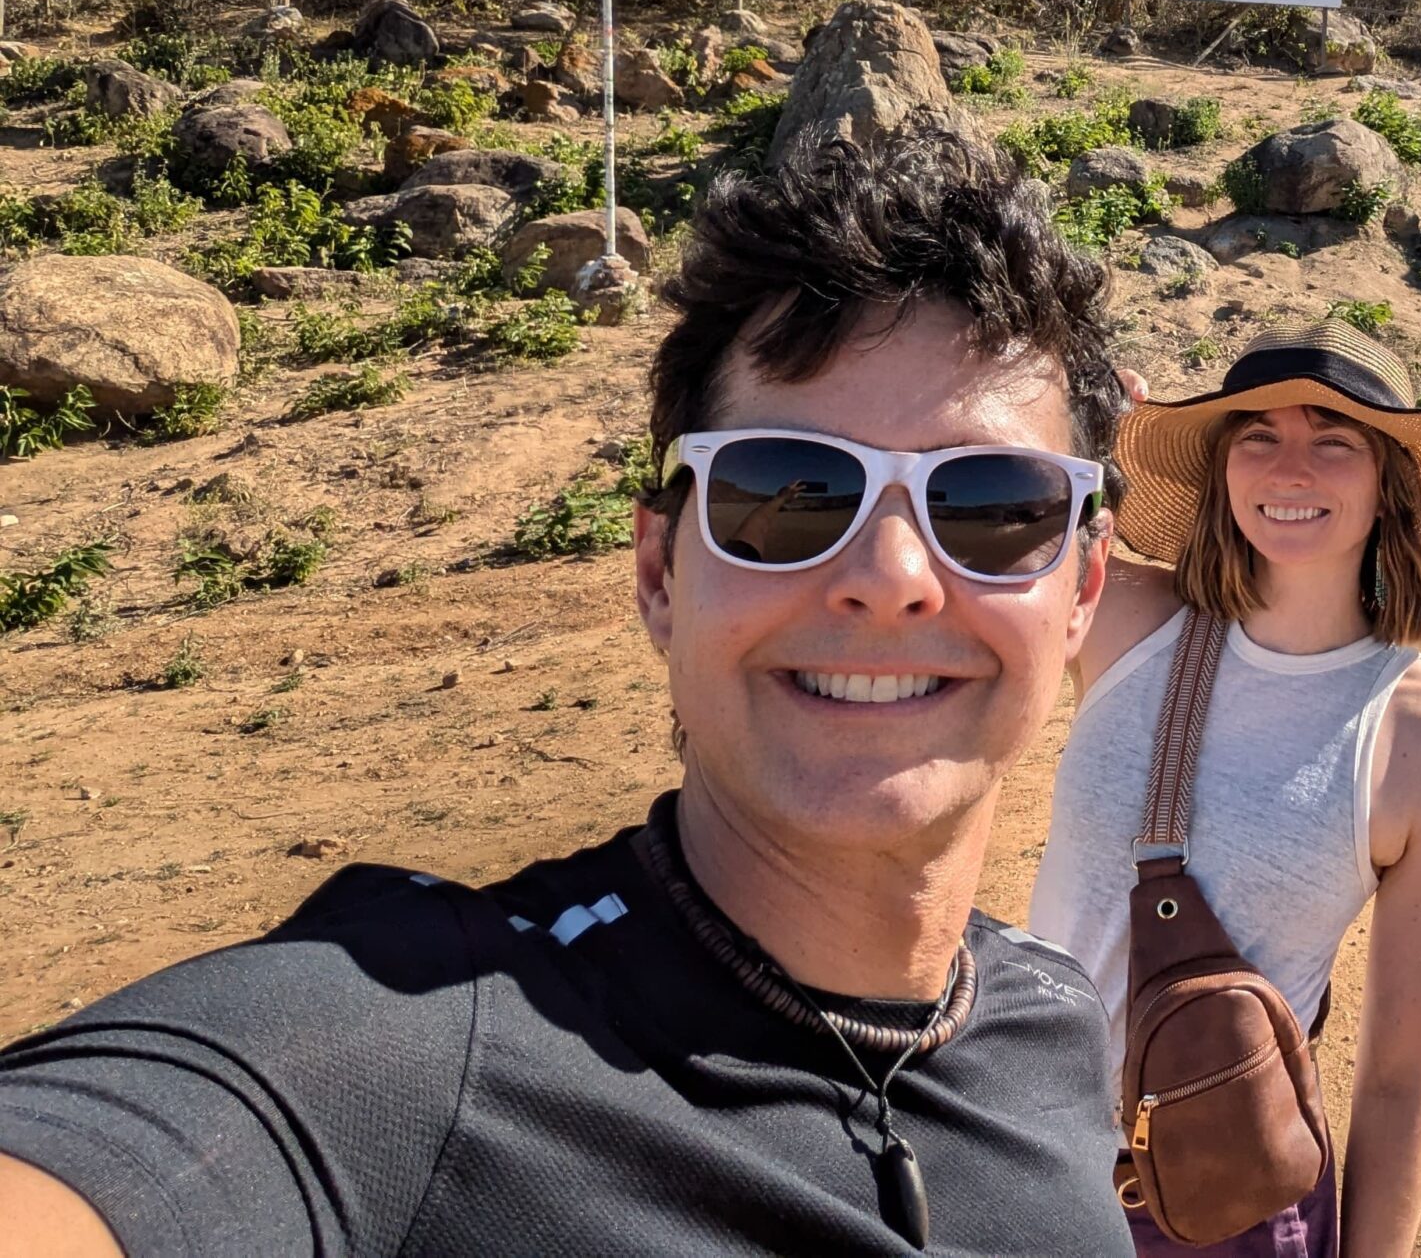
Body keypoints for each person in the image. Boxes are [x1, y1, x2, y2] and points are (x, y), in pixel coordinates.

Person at [0, 122, 1141, 1257]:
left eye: (994, 505)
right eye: (786, 497)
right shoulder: (403, 1049)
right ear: (659, 573)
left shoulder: (1052, 1023)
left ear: (1083, 587)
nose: (889, 581)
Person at [1030, 320, 1421, 1258]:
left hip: (1228, 1213)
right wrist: (1069, 405)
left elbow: (1398, 1079)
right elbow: (976, 517)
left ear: (1391, 480)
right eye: (1258, 436)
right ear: (1223, 465)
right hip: (1022, 1169)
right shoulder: (1121, 617)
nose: (1290, 469)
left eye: (1334, 439)